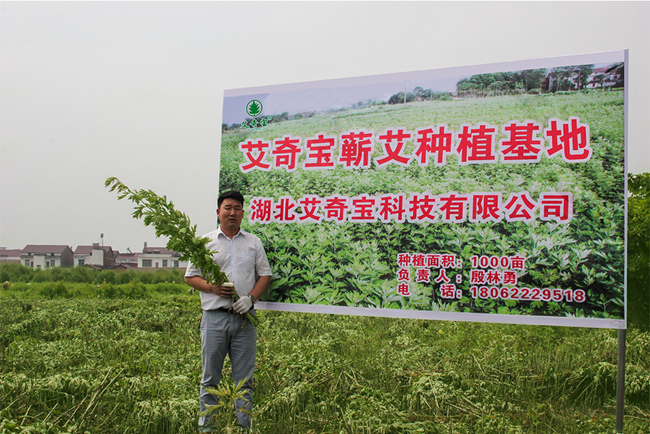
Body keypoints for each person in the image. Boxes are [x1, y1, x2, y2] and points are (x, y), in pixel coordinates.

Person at [185, 190, 272, 432]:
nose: (232, 212)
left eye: (237, 208)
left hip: (245, 320)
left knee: (244, 380)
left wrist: (250, 299)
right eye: (227, 208)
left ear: (243, 213)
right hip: (215, 318)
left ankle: (243, 427)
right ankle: (208, 427)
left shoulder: (253, 242)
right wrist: (212, 288)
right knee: (210, 378)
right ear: (218, 212)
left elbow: (265, 275)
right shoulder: (204, 243)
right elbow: (190, 277)